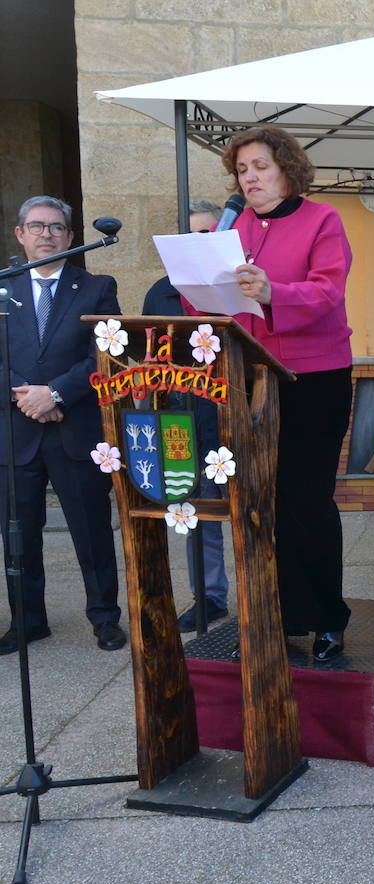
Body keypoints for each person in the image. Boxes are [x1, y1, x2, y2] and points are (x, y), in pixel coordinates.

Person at [189, 126, 355, 663]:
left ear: (286, 167)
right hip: (249, 377)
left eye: (260, 166)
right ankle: (276, 616)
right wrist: (194, 286)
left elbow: (328, 291)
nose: (251, 178)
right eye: (242, 170)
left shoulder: (321, 220)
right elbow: (211, 305)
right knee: (261, 500)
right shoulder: (230, 228)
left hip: (312, 380)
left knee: (305, 500)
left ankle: (327, 618)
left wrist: (272, 291)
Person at [0, 195, 125, 653]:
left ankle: (104, 619)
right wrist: (27, 398)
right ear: (21, 234)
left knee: (91, 532)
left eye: (56, 227)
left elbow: (106, 352)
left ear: (71, 237)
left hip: (76, 431)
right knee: (19, 536)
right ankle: (28, 620)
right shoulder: (3, 288)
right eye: (37, 226)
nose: (47, 234)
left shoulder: (96, 288)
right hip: (16, 435)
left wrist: (54, 394)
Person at [143, 199, 230, 632]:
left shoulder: (239, 284)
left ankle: (270, 590)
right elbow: (147, 356)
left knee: (256, 512)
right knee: (197, 513)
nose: (200, 242)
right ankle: (210, 596)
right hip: (185, 418)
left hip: (237, 416)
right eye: (191, 235)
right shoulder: (161, 292)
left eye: (208, 233)